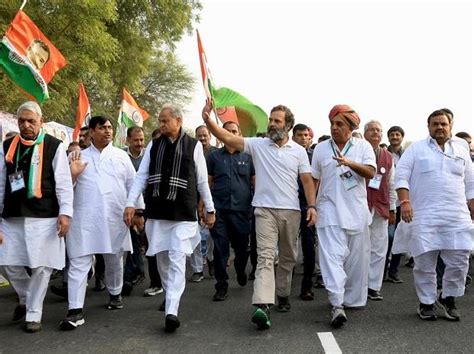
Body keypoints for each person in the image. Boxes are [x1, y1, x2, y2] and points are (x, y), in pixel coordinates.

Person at [202, 101, 316, 330]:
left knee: (288, 257)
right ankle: (263, 305)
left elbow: (306, 181)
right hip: (263, 211)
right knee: (264, 257)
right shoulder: (258, 145)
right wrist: (209, 121)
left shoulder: (299, 151)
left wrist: (312, 206)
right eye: (271, 120)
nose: (272, 124)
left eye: (277, 121)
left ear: (288, 125)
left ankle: (283, 294)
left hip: (291, 212)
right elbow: (229, 138)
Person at [124, 104, 215, 333]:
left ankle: (172, 310)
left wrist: (210, 209)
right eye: (160, 121)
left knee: (176, 257)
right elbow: (141, 176)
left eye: (165, 121)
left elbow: (202, 181)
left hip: (183, 213)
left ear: (178, 120)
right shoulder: (154, 145)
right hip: (157, 212)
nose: (161, 125)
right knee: (162, 259)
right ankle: (170, 296)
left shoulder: (193, 146)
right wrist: (130, 203)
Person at [59, 116, 144, 331]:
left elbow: (133, 184)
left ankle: (115, 294)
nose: (108, 131)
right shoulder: (77, 156)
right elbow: (64, 186)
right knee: (78, 262)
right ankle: (75, 310)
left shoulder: (121, 157)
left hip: (114, 218)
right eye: (102, 128)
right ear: (91, 132)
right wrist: (72, 172)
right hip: (83, 220)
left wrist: (137, 211)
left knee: (115, 259)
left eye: (110, 127)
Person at [0, 101, 73, 333]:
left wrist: (65, 213)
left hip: (44, 216)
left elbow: (63, 184)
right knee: (6, 261)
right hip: (12, 216)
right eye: (22, 121)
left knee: (42, 267)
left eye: (31, 120)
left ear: (40, 121)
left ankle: (33, 314)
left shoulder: (54, 146)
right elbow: (1, 183)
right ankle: (25, 296)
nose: (26, 125)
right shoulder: (7, 146)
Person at [394, 109, 474, 321]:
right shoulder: (416, 149)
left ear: (451, 126)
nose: (439, 127)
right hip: (424, 215)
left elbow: (471, 182)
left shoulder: (461, 149)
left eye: (443, 124)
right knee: (424, 263)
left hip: (456, 215)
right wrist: (405, 202)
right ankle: (427, 302)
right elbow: (401, 176)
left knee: (459, 261)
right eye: (435, 124)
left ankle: (449, 299)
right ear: (428, 127)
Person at [311, 104, 376, 328]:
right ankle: (336, 304)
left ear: (350, 127)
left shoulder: (363, 146)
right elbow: (314, 179)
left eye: (340, 124)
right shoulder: (320, 149)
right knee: (331, 259)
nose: (334, 128)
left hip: (356, 211)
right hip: (328, 210)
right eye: (332, 124)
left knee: (356, 261)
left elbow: (371, 172)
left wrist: (350, 163)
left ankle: (350, 299)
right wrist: (312, 205)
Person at [207, 121, 255, 301]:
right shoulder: (213, 157)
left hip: (242, 212)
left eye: (234, 131)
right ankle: (221, 286)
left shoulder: (248, 156)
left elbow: (255, 182)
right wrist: (203, 206)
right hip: (219, 211)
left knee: (241, 250)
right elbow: (208, 183)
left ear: (239, 133)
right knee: (220, 250)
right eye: (226, 131)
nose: (230, 134)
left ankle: (241, 269)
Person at [363, 120, 396, 301]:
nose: (376, 133)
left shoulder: (388, 157)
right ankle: (359, 284)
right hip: (361, 206)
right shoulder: (358, 151)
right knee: (360, 247)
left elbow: (391, 185)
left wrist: (392, 209)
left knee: (379, 248)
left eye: (378, 130)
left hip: (381, 206)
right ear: (365, 132)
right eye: (372, 130)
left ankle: (373, 286)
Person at [292, 123, 318, 300]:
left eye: (306, 135)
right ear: (293, 136)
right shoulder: (287, 154)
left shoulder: (313, 157)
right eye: (300, 135)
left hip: (308, 207)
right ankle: (283, 286)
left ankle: (307, 286)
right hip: (289, 206)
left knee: (309, 248)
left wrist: (314, 205)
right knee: (288, 249)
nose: (303, 138)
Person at [190, 125, 218, 281]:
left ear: (210, 136)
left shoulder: (216, 154)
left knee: (210, 236)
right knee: (196, 235)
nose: (202, 139)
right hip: (193, 199)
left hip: (212, 200)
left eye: (204, 136)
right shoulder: (191, 152)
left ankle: (211, 259)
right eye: (199, 136)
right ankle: (197, 269)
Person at [384, 125, 405, 283]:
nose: (395, 137)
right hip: (386, 202)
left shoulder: (408, 155)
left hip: (403, 202)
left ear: (402, 137)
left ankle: (394, 271)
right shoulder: (383, 154)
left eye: (397, 134)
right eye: (392, 134)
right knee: (387, 237)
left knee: (399, 237)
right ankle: (381, 271)